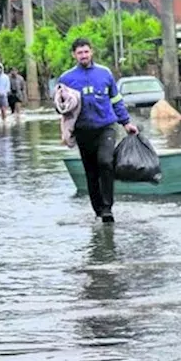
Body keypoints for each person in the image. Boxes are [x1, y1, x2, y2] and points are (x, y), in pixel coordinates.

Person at [59, 38, 138, 223]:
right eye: (80, 53)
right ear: (74, 55)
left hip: (106, 127)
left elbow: (116, 100)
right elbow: (61, 107)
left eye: (86, 52)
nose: (83, 56)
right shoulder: (66, 78)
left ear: (91, 52)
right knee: (91, 171)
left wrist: (126, 123)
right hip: (83, 130)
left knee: (105, 162)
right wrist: (64, 130)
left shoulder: (105, 74)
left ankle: (107, 207)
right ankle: (98, 210)